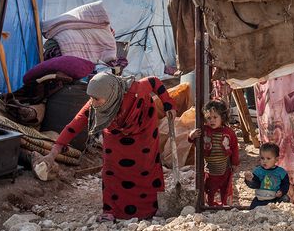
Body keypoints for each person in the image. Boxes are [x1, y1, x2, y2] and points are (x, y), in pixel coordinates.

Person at [48, 73, 176, 221]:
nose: (93, 103)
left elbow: (154, 81)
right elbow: (74, 125)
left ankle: (153, 207)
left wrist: (169, 104)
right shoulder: (97, 103)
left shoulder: (136, 90)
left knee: (146, 165)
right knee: (111, 167)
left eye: (96, 99)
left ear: (110, 95)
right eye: (91, 98)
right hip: (114, 131)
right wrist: (53, 152)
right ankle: (111, 210)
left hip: (143, 126)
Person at [188, 100, 239, 207]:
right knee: (210, 190)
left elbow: (234, 148)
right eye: (209, 118)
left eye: (215, 117)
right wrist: (192, 135)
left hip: (225, 169)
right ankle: (210, 205)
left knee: (225, 189)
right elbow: (193, 140)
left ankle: (224, 205)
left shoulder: (229, 132)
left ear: (222, 117)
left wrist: (235, 163)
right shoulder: (204, 130)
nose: (212, 120)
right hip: (210, 170)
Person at [244, 142, 290, 209]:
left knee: (285, 199)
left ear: (276, 159)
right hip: (261, 199)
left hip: (275, 198)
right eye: (262, 158)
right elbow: (256, 184)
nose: (264, 161)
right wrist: (250, 180)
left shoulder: (281, 172)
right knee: (253, 208)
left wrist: (281, 191)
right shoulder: (258, 171)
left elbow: (286, 184)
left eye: (268, 158)